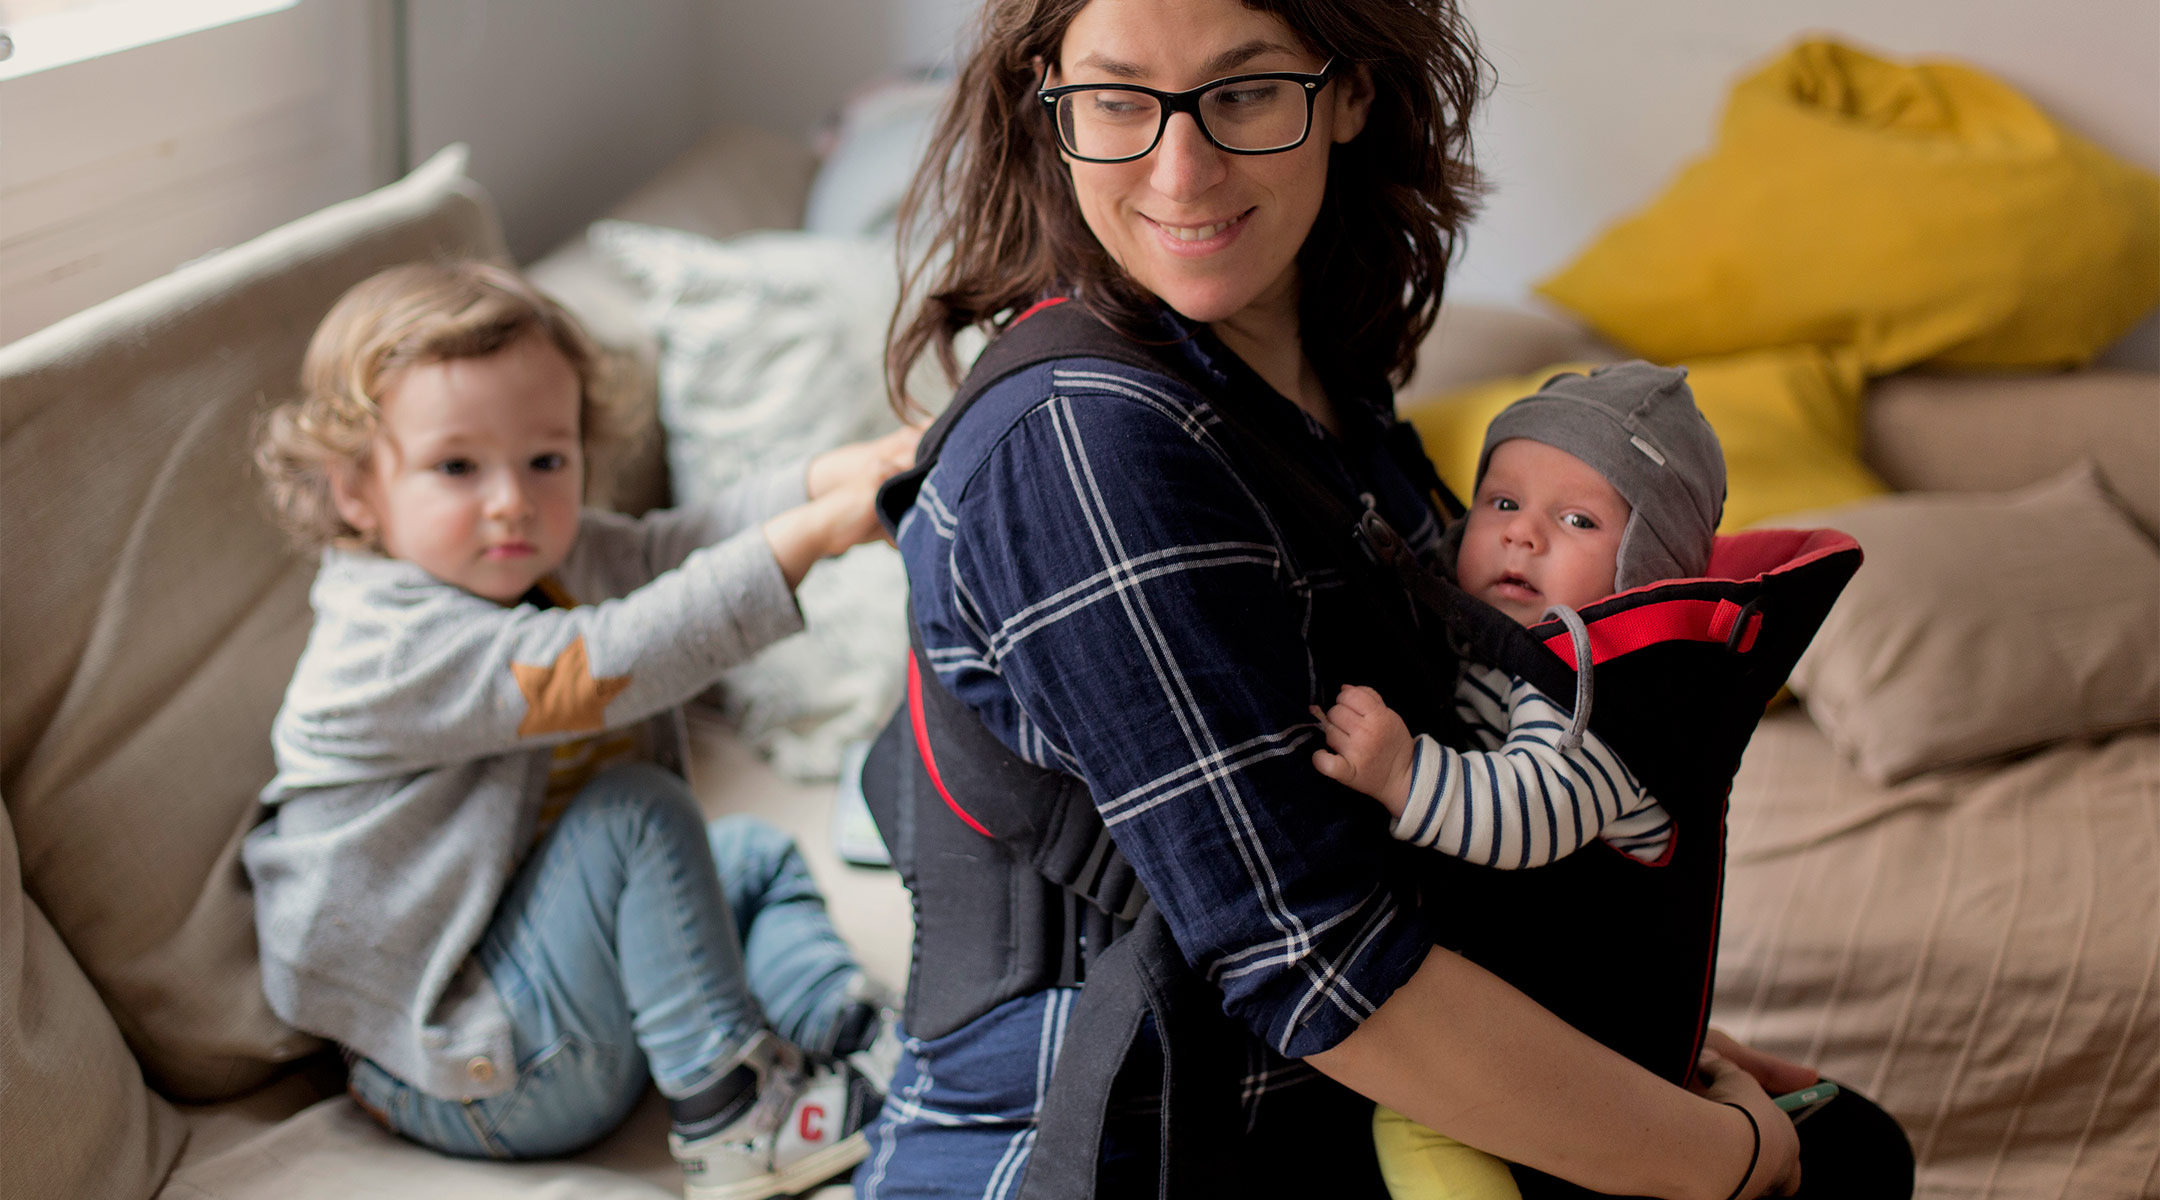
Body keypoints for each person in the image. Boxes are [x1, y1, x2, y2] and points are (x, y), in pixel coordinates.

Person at [858, 0, 1882, 1196]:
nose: (1180, 171)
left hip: (1345, 1101)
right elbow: (1315, 959)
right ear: (1051, 100)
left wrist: (1626, 1059)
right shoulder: (1086, 444)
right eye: (1119, 99)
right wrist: (1719, 1157)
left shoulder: (1316, 382)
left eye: (1243, 93)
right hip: (1134, 1144)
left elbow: (1472, 714)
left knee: (1858, 1149)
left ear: (1348, 93)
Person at [243, 261, 915, 1200]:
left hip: (559, 984)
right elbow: (593, 667)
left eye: (546, 460)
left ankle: (849, 1032)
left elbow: (666, 551)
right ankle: (733, 1118)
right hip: (472, 1064)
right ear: (355, 489)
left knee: (754, 856)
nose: (513, 500)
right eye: (457, 467)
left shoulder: (531, 558)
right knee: (638, 813)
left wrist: (820, 479)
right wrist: (809, 538)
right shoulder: (386, 641)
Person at [1311, 362, 1725, 1200]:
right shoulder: (1509, 652)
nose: (1523, 536)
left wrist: (1402, 773)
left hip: (1593, 1040)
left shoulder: (1604, 689)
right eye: (1503, 503)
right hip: (1541, 1009)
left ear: (1651, 568)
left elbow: (1529, 812)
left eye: (1577, 519)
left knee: (1419, 1119)